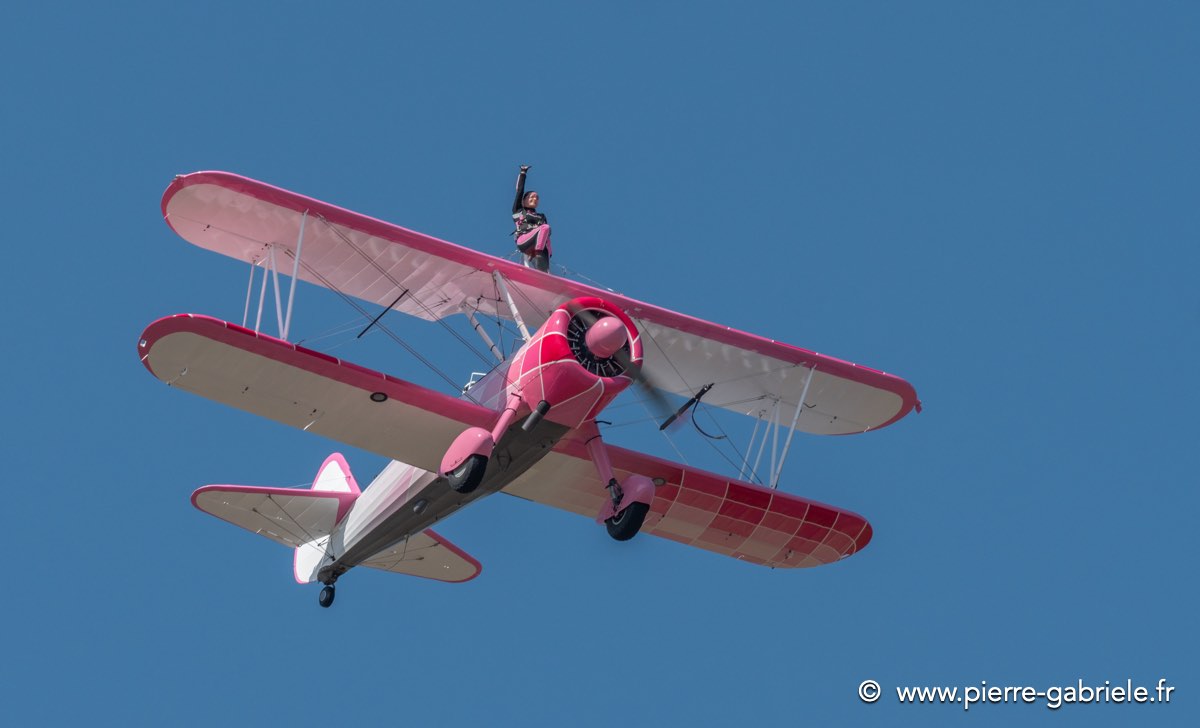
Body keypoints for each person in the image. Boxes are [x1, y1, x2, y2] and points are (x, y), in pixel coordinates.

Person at [512, 165, 552, 272]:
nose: (535, 199)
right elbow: (519, 191)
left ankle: (545, 274)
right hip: (524, 241)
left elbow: (547, 236)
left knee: (546, 231)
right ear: (524, 200)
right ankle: (537, 254)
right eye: (532, 196)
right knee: (545, 228)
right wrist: (523, 172)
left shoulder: (541, 216)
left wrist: (549, 254)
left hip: (538, 245)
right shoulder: (519, 211)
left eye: (537, 198)